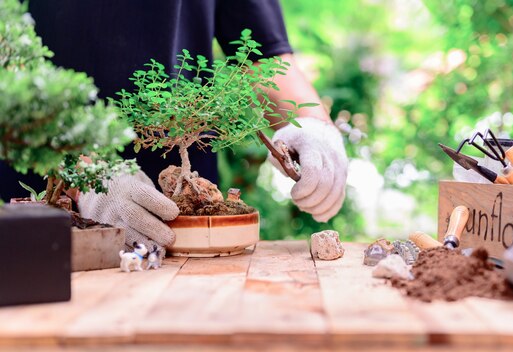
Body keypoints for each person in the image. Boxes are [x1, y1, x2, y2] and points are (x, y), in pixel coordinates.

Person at [0, 0, 347, 252]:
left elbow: (262, 53)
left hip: (184, 217)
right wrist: (86, 175)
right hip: (45, 211)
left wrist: (315, 128)